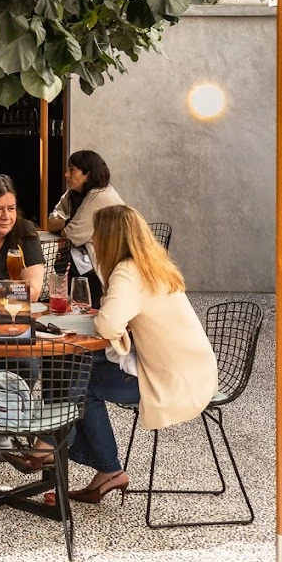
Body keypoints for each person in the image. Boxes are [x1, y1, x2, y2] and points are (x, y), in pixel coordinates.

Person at [57, 205, 217, 504]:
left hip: (171, 381)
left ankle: (92, 463)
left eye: (96, 234)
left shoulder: (128, 271)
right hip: (193, 370)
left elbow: (107, 325)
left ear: (110, 238)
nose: (93, 240)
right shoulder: (154, 265)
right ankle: (57, 447)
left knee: (81, 382)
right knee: (76, 366)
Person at [48, 150, 125, 307]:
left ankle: (78, 307)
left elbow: (70, 235)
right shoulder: (73, 194)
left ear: (87, 175)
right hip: (90, 260)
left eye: (72, 170)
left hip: (107, 265)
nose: (66, 174)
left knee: (60, 263)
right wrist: (68, 222)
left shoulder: (99, 196)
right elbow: (51, 222)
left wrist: (64, 225)